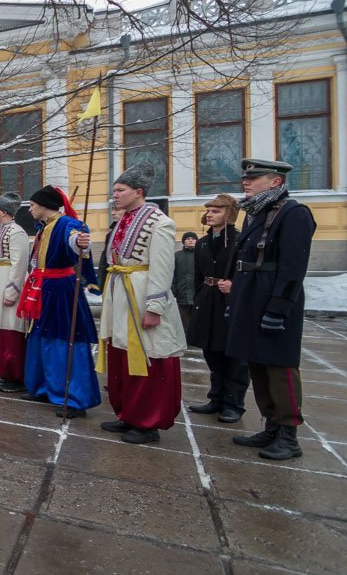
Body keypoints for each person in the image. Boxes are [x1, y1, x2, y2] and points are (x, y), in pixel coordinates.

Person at [225, 159, 316, 461]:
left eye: (254, 178)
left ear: (275, 182)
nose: (246, 183)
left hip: (272, 298)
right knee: (257, 362)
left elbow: (293, 269)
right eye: (245, 178)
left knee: (280, 368)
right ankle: (272, 425)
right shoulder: (256, 214)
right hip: (250, 297)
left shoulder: (293, 213)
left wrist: (279, 308)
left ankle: (289, 434)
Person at [96, 163, 186, 444]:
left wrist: (155, 307)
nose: (115, 195)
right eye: (114, 190)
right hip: (120, 295)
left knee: (147, 358)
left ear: (138, 191)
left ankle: (148, 421)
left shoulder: (159, 222)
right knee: (122, 355)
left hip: (140, 296)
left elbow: (162, 267)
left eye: (120, 190)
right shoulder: (124, 219)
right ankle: (128, 413)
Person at [18, 185, 100, 417]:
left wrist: (81, 242)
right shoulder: (44, 227)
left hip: (60, 290)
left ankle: (73, 397)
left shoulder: (66, 224)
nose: (30, 209)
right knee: (40, 336)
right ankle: (43, 387)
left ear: (44, 205)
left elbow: (75, 239)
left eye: (33, 205)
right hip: (43, 287)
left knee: (64, 339)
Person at [187, 193, 248, 424]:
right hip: (207, 300)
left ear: (229, 215)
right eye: (209, 211)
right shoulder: (202, 242)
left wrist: (235, 284)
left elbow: (247, 272)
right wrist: (198, 297)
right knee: (211, 352)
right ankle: (216, 398)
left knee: (233, 356)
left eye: (217, 211)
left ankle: (234, 403)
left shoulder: (239, 240)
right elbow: (197, 275)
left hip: (230, 302)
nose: (210, 215)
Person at [0, 193, 31, 392]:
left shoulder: (16, 232)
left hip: (6, 283)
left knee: (10, 329)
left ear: (4, 212)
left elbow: (19, 264)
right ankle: (4, 371)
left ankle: (16, 374)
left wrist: (12, 290)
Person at [173, 231, 198, 332]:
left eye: (193, 239)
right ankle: (185, 340)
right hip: (181, 293)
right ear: (183, 242)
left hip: (197, 293)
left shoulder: (201, 254)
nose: (190, 240)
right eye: (188, 239)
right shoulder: (177, 256)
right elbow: (172, 274)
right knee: (183, 319)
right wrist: (173, 289)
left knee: (197, 317)